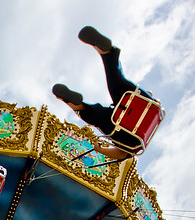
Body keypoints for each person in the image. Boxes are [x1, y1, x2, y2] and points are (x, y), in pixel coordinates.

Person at [52, 27, 161, 160]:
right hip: (128, 135)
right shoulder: (133, 145)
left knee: (118, 83)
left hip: (141, 104)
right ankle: (75, 104)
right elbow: (120, 154)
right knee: (98, 118)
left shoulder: (152, 108)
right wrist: (100, 149)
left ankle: (108, 53)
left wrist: (149, 97)